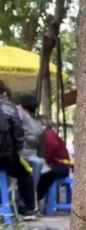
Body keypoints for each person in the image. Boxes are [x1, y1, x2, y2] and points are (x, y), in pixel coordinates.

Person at [0, 81, 38, 219]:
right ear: (4, 94)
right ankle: (27, 209)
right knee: (26, 173)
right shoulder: (8, 108)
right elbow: (18, 135)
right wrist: (18, 151)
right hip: (5, 158)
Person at [15, 94, 46, 198]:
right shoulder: (39, 124)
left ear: (22, 107)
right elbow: (41, 149)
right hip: (34, 158)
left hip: (22, 157)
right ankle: (32, 198)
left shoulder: (22, 117)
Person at [36, 122, 71, 204]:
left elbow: (53, 145)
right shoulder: (50, 135)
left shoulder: (49, 134)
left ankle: (35, 200)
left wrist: (47, 160)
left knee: (41, 175)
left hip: (60, 167)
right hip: (61, 166)